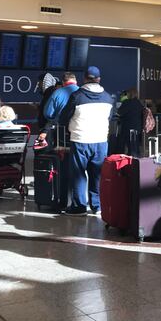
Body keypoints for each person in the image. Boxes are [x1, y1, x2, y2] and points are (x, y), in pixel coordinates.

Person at [59, 66, 114, 216]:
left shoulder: (76, 96)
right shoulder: (108, 98)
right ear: (99, 79)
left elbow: (63, 118)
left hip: (80, 140)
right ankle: (97, 206)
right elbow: (110, 118)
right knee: (97, 174)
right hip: (101, 141)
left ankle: (79, 207)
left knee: (78, 175)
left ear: (84, 79)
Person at [116, 89, 144, 157]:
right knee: (135, 145)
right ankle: (136, 158)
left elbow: (119, 113)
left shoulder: (127, 102)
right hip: (137, 127)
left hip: (127, 127)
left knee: (125, 144)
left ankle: (126, 158)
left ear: (129, 94)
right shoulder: (139, 103)